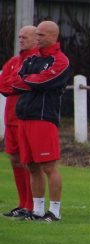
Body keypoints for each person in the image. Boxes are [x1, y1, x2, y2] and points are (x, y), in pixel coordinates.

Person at [12, 20, 71, 222]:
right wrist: (33, 81)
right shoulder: (32, 59)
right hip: (24, 116)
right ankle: (37, 210)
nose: (36, 38)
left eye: (41, 35)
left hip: (43, 118)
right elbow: (15, 82)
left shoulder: (61, 60)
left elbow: (46, 81)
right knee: (31, 166)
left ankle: (54, 211)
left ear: (53, 37)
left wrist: (31, 81)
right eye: (36, 34)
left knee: (48, 166)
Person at [0, 26, 39, 218]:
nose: (21, 40)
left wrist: (16, 83)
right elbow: (4, 87)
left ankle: (31, 205)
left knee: (28, 162)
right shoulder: (14, 62)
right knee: (15, 159)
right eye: (19, 37)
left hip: (26, 118)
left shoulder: (36, 62)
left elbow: (28, 84)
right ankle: (22, 203)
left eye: (25, 37)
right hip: (10, 118)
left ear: (35, 40)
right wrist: (18, 83)